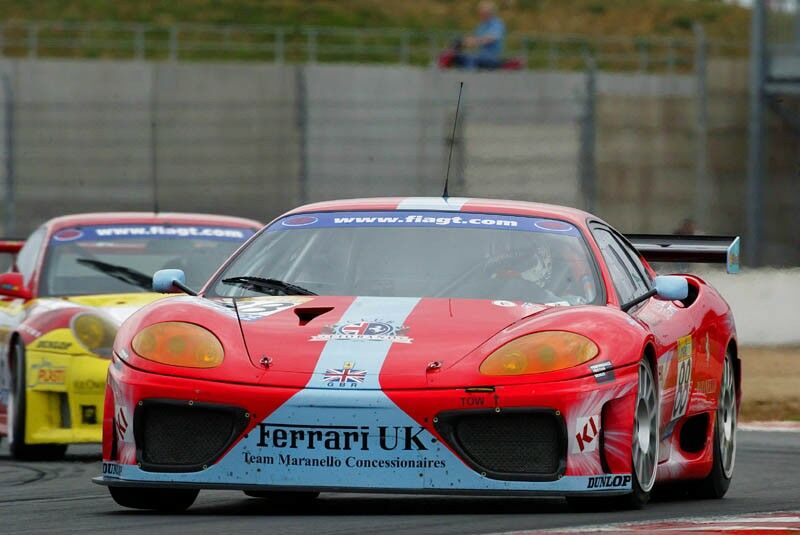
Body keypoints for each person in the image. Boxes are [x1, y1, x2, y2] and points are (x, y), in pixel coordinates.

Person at [453, 1, 506, 70]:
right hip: (481, 55)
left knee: (471, 60)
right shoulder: (482, 25)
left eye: (484, 12)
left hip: (492, 57)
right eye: (480, 12)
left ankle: (470, 78)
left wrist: (474, 41)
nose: (481, 14)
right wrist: (463, 40)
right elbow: (474, 37)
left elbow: (491, 38)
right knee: (459, 57)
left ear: (490, 12)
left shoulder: (497, 24)